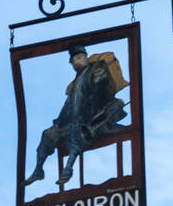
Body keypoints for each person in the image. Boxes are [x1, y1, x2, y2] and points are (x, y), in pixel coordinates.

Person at [23, 45, 129, 187]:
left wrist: (95, 90)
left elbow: (98, 94)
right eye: (73, 60)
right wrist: (59, 123)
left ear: (85, 57)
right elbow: (69, 106)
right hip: (68, 121)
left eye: (79, 58)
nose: (77, 62)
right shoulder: (74, 84)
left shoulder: (95, 71)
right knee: (47, 135)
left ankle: (68, 168)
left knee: (75, 133)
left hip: (89, 118)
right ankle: (38, 170)